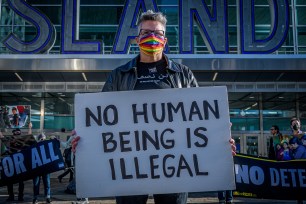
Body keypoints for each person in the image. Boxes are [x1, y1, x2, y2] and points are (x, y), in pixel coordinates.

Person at [72, 10, 236, 204]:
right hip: (128, 170)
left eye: (157, 33)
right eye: (146, 33)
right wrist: (86, 141)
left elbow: (200, 120)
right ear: (137, 38)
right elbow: (102, 120)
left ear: (165, 40)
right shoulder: (118, 75)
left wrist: (219, 141)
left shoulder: (183, 74)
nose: (152, 37)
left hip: (175, 168)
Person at [32, 133, 52, 204]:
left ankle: (48, 197)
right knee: (36, 184)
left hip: (45, 168)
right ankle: (35, 197)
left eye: (44, 138)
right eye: (41, 138)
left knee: (47, 183)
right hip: (37, 168)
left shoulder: (47, 145)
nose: (43, 139)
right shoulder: (35, 145)